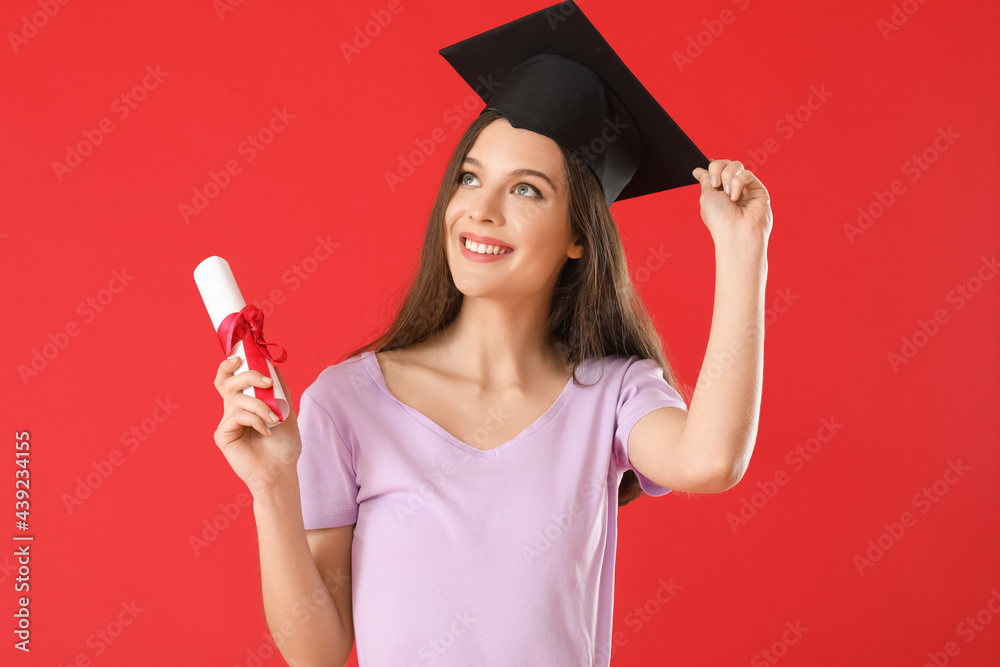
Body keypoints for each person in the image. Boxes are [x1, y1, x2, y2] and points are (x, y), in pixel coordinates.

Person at [211, 2, 771, 665]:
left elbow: (709, 460)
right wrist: (273, 486)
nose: (481, 208)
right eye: (470, 177)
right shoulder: (347, 401)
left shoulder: (612, 395)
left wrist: (742, 253)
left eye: (527, 190)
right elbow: (319, 651)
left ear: (579, 238)